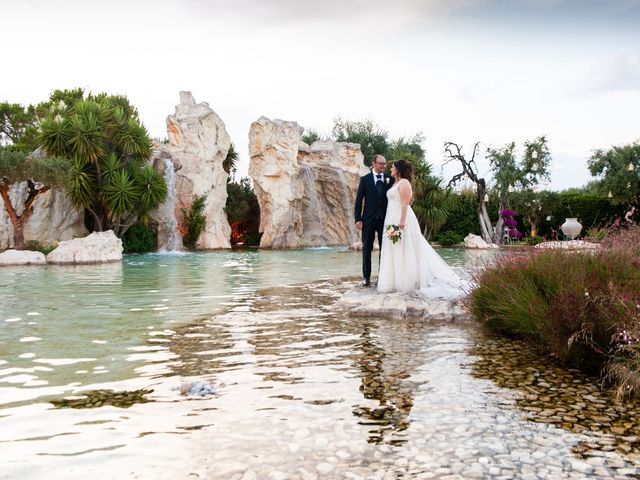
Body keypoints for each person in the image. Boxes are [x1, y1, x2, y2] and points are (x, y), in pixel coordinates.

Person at [377, 159, 469, 299]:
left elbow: (406, 203)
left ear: (399, 169)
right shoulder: (395, 182)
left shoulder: (404, 183)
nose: (390, 169)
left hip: (401, 219)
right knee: (393, 247)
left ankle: (407, 281)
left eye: (393, 167)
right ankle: (393, 281)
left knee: (404, 247)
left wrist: (401, 222)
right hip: (391, 218)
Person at [355, 154, 395, 286]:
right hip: (368, 219)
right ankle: (366, 277)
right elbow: (359, 200)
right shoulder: (365, 179)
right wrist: (358, 219)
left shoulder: (391, 179)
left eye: (385, 163)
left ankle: (382, 277)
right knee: (367, 248)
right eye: (381, 163)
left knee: (386, 249)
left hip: (386, 219)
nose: (384, 166)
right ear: (373, 163)